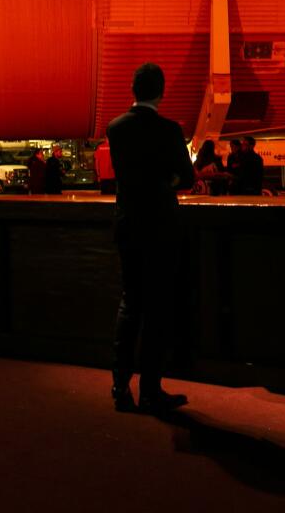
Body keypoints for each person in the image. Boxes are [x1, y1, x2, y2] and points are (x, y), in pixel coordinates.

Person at [107, 63, 195, 416]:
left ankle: (119, 385)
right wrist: (166, 184)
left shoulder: (115, 129)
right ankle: (150, 391)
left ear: (133, 89)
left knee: (130, 303)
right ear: (161, 92)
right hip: (160, 226)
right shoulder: (170, 130)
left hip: (128, 223)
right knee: (157, 308)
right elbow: (187, 178)